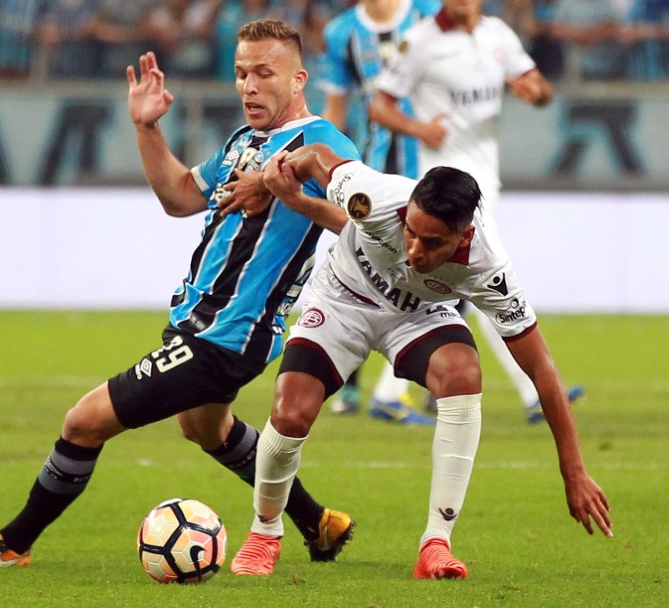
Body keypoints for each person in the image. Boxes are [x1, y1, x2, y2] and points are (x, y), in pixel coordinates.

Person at [0, 19, 362, 569]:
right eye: (239, 74)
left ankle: (13, 543)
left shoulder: (323, 143)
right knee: (206, 428)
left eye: (264, 73)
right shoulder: (243, 142)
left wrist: (289, 194)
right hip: (199, 323)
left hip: (228, 333)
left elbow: (361, 219)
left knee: (83, 422)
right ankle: (319, 523)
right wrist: (146, 128)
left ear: (299, 78)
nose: (248, 86)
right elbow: (182, 196)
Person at [229, 143, 613, 578]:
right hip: (341, 301)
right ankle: (264, 532)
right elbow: (316, 156)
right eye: (410, 232)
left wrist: (574, 470)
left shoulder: (488, 270)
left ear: (464, 236)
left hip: (418, 315)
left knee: (463, 374)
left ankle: (436, 543)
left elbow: (541, 368)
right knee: (291, 413)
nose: (414, 249)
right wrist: (267, 183)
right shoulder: (373, 195)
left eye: (432, 242)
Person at [368, 0, 583, 424]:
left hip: (487, 181)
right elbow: (380, 105)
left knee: (463, 289)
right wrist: (419, 128)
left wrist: (534, 91)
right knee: (494, 284)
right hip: (446, 188)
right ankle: (536, 392)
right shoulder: (421, 41)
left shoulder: (498, 35)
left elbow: (539, 86)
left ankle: (388, 393)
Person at [318, 0, 440, 424]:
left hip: (434, 165)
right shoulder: (341, 33)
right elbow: (335, 107)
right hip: (377, 167)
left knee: (439, 271)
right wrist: (324, 164)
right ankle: (349, 385)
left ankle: (420, 384)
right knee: (356, 270)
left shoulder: (431, 12)